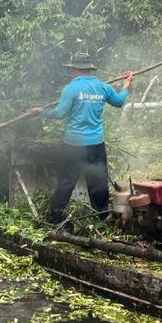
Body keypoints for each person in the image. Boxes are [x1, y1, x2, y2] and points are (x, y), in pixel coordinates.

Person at [30, 53, 133, 224]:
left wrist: (41, 112)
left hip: (73, 146)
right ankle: (102, 217)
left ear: (75, 70)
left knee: (66, 182)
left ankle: (54, 218)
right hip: (96, 145)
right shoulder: (102, 87)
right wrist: (126, 85)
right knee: (98, 181)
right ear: (89, 70)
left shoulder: (71, 89)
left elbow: (60, 113)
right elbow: (119, 101)